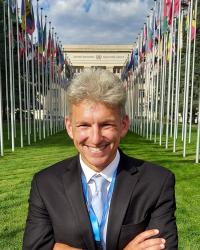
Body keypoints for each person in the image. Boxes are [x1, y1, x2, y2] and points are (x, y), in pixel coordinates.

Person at [23, 69, 178, 250]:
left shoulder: (157, 182)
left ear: (124, 125)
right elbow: (35, 247)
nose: (95, 138)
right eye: (84, 125)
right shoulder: (45, 184)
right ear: (69, 127)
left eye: (106, 125)